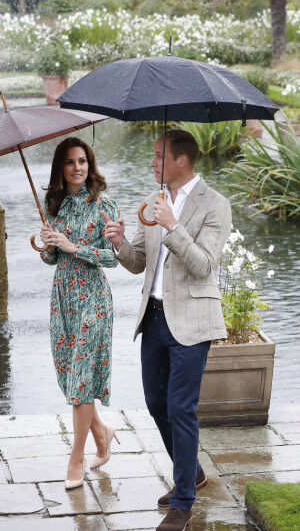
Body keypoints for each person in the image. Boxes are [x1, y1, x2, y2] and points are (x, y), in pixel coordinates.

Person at [103, 130, 232, 531]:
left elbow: (204, 265)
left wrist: (174, 226)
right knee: (157, 404)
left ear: (182, 161)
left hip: (193, 321)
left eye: (159, 156)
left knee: (180, 408)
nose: (152, 162)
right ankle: (190, 471)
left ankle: (182, 502)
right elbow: (138, 262)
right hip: (154, 318)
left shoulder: (215, 205)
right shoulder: (154, 201)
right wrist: (120, 241)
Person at [39, 136, 121, 490]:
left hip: (94, 298)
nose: (77, 168)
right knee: (72, 378)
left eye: (82, 161)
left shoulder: (104, 205)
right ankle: (102, 433)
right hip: (63, 299)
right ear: (61, 167)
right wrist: (46, 244)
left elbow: (112, 258)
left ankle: (77, 458)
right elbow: (52, 259)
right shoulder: (54, 206)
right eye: (70, 162)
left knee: (83, 380)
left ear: (90, 165)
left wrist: (74, 246)